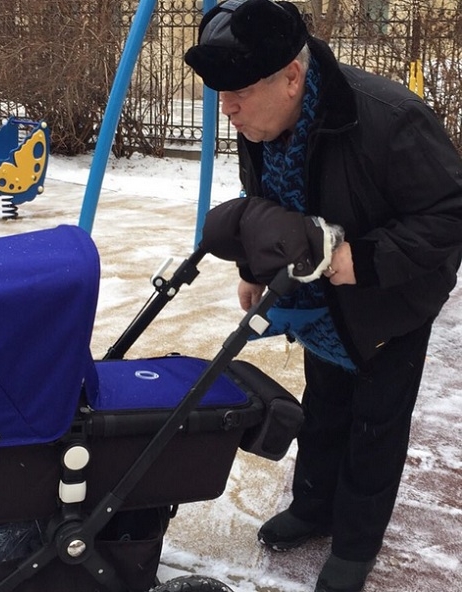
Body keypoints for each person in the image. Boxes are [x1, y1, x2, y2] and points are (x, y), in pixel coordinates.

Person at [184, 1, 462, 591]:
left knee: (374, 424)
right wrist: (256, 266)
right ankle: (314, 508)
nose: (225, 108)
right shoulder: (261, 118)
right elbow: (263, 199)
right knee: (326, 402)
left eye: (237, 92)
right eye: (218, 92)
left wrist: (357, 260)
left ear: (292, 76)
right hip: (320, 296)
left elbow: (447, 214)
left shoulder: (390, 118)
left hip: (392, 300)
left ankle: (357, 543)